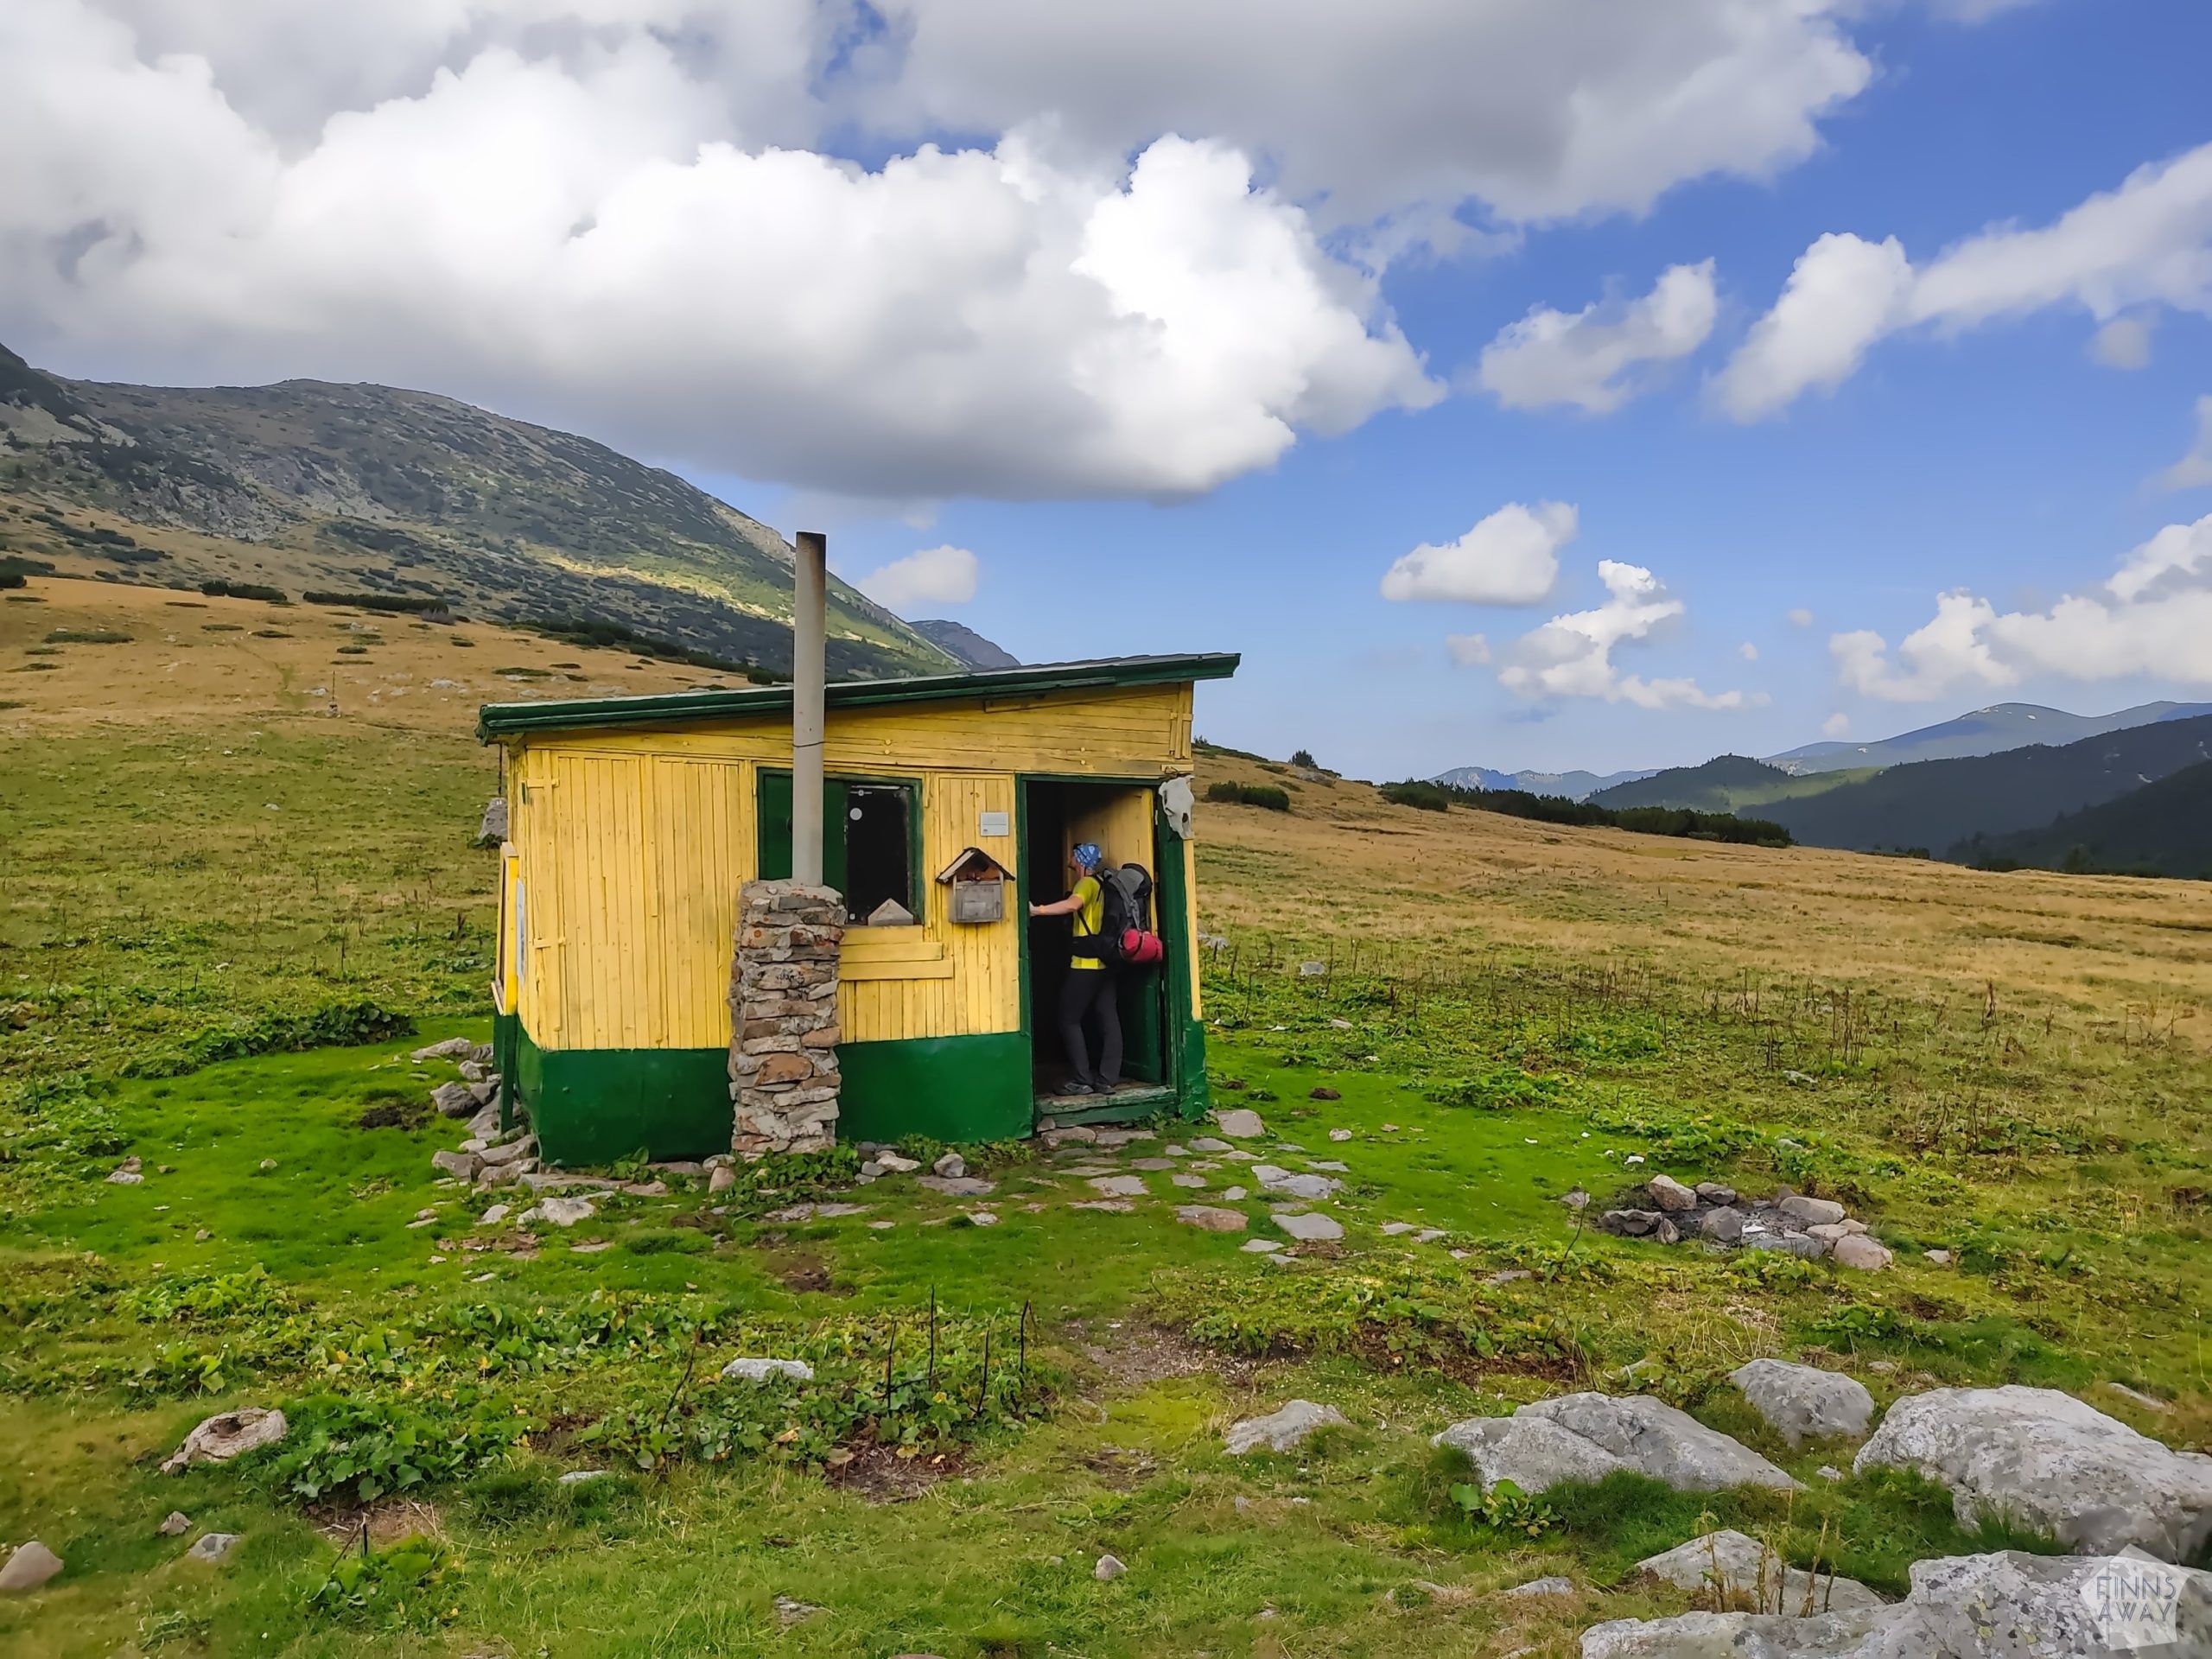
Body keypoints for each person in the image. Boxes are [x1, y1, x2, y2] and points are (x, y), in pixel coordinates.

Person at [1029, 841, 1121, 1096]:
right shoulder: (1103, 885)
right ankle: (1107, 1079)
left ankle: (1082, 1079)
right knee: (1108, 1019)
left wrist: (1037, 910)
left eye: (1073, 854)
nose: (1069, 856)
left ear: (1080, 860)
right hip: (1105, 964)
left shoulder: (1086, 884)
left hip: (1086, 965)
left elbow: (1072, 905)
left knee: (1068, 1019)